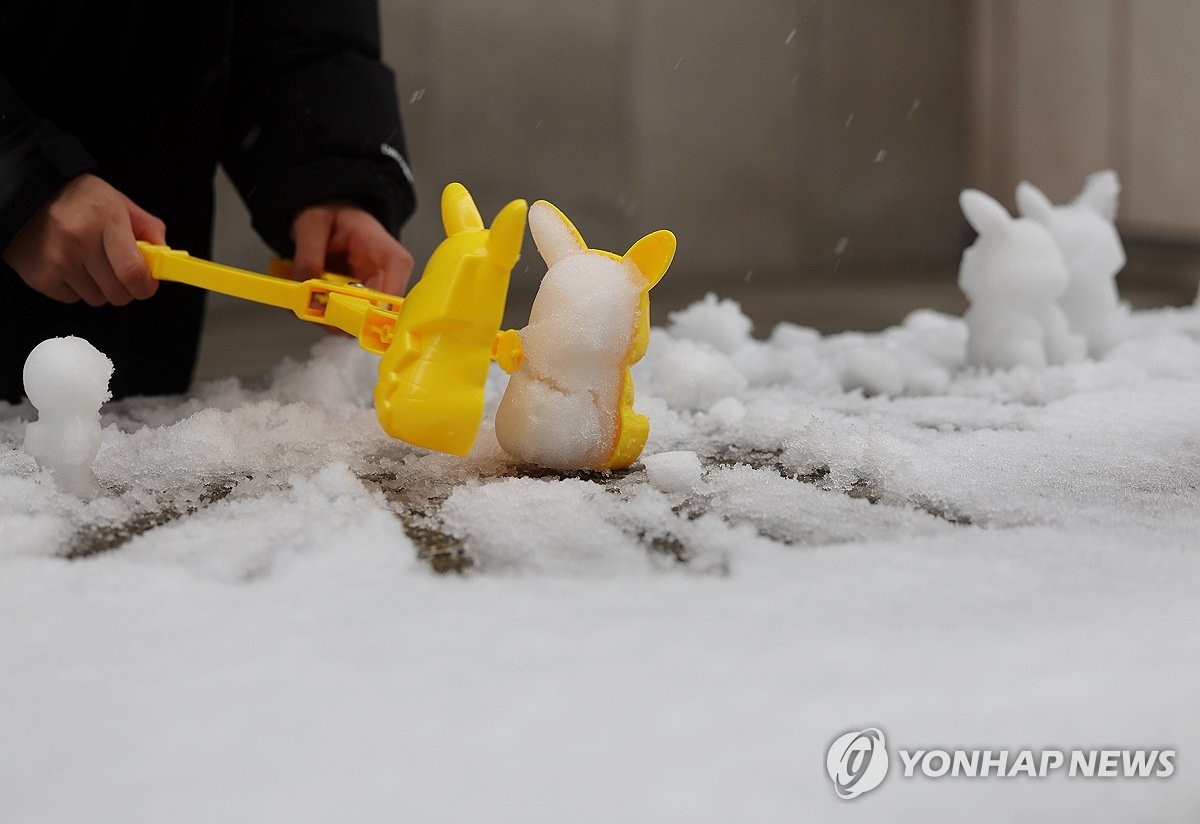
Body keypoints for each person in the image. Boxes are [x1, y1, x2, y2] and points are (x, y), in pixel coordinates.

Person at [0, 1, 417, 402]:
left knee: (108, 440)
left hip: (141, 284)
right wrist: (21, 177)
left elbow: (303, 23)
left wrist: (331, 173)